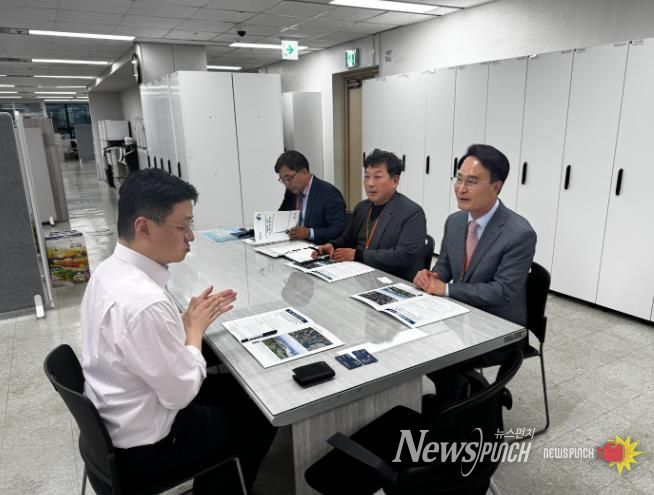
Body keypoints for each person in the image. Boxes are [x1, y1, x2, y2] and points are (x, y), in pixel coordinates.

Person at [81, 169, 275, 494]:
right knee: (260, 416)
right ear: (144, 227)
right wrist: (194, 331)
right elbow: (182, 393)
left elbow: (143, 350)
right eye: (183, 226)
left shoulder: (107, 272)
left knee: (234, 389)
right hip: (147, 449)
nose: (191, 236)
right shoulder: (143, 303)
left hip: (114, 426)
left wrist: (185, 323)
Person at [413, 144, 536, 405]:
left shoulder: (519, 233)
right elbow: (445, 265)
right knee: (413, 342)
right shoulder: (455, 221)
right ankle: (457, 398)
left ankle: (460, 410)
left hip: (499, 327)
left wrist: (446, 289)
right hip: (462, 314)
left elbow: (502, 291)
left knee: (437, 357)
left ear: (496, 187)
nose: (461, 188)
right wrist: (432, 277)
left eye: (471, 181)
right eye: (458, 179)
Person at [314, 148, 427, 281]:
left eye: (377, 177)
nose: (370, 183)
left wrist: (358, 255)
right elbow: (347, 238)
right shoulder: (362, 207)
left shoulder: (412, 213)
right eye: (367, 176)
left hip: (391, 279)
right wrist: (333, 245)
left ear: (395, 181)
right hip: (358, 274)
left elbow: (402, 256)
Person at [277, 149, 347, 244]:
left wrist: (309, 233)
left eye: (289, 178)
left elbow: (339, 229)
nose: (286, 184)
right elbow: (281, 216)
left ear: (304, 172)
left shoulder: (329, 193)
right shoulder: (291, 192)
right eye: (282, 180)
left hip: (318, 247)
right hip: (293, 245)